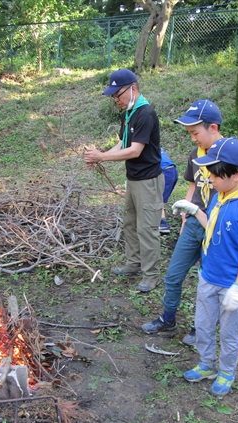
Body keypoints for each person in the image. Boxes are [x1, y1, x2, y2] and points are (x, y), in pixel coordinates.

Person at [142, 100, 238, 344]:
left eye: (195, 133)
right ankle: (168, 319)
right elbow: (194, 185)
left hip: (217, 228)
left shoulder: (231, 154)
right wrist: (186, 214)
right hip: (195, 223)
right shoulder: (195, 155)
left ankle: (200, 328)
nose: (193, 138)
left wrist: (228, 219)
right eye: (190, 133)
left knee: (207, 280)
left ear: (213, 128)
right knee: (174, 274)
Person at [172, 138, 238, 397]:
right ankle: (207, 364)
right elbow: (211, 227)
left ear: (237, 174)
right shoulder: (219, 197)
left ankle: (226, 371)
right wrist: (194, 210)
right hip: (209, 276)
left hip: (232, 283)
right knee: (203, 324)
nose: (211, 180)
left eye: (215, 175)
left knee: (229, 332)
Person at [84, 69, 164, 293]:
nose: (116, 100)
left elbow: (136, 151)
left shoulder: (145, 113)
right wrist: (100, 157)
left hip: (149, 181)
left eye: (118, 95)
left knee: (147, 228)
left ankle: (151, 275)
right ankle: (134, 263)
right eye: (113, 97)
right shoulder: (127, 114)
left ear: (133, 89)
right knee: (130, 223)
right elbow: (123, 144)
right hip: (133, 179)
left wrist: (102, 156)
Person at [159, 148, 178, 234]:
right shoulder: (157, 147)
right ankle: (162, 223)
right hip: (173, 171)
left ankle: (162, 224)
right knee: (160, 199)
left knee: (157, 198)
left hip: (164, 172)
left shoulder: (146, 147)